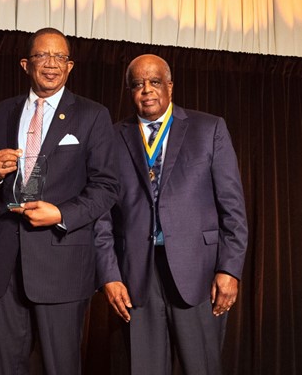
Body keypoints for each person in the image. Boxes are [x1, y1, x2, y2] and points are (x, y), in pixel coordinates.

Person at [95, 54, 248, 375]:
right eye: (137, 84)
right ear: (129, 91)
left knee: (202, 368)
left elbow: (232, 208)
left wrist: (230, 270)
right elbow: (103, 216)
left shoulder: (209, 129)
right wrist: (109, 275)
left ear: (170, 87)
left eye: (154, 82)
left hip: (201, 275)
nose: (146, 90)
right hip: (138, 276)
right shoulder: (111, 136)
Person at [0, 27, 118, 375]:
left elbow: (107, 186)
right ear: (26, 64)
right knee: (4, 367)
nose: (51, 64)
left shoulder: (92, 115)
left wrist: (61, 213)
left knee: (60, 367)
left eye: (60, 56)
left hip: (62, 262)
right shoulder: (2, 112)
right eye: (43, 55)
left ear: (70, 66)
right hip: (6, 261)